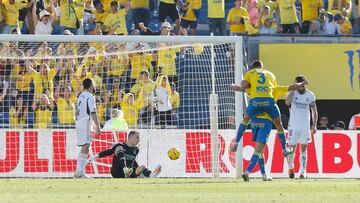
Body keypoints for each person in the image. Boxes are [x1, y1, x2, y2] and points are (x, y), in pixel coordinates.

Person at [230, 60, 308, 158]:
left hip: (255, 102)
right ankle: (284, 149)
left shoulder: (250, 73)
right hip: (269, 102)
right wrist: (302, 83)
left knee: (245, 120)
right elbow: (289, 87)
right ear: (262, 67)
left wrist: (233, 86)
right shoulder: (270, 74)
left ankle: (236, 142)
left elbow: (242, 86)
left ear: (252, 68)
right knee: (279, 124)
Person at [234, 85, 295, 181]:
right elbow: (289, 87)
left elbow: (244, 89)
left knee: (260, 151)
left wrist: (236, 87)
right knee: (258, 150)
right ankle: (247, 172)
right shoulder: (275, 89)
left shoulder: (255, 89)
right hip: (265, 122)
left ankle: (264, 175)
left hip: (254, 122)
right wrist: (300, 84)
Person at [88, 131, 162, 178]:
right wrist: (94, 157)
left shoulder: (136, 150)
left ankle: (151, 175)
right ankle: (125, 169)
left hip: (128, 174)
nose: (139, 140)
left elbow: (133, 162)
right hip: (117, 171)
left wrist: (140, 170)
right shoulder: (119, 145)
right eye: (137, 137)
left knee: (142, 167)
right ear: (131, 137)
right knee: (119, 148)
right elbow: (108, 152)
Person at [285, 75, 318, 179]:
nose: (301, 87)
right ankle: (291, 167)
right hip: (293, 125)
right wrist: (293, 87)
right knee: (291, 148)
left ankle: (303, 172)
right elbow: (287, 102)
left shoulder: (310, 94)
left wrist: (314, 125)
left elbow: (314, 110)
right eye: (299, 85)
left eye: (302, 85)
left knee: (303, 148)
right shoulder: (293, 92)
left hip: (305, 125)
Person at [74, 78, 101, 178]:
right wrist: (98, 126)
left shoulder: (80, 95)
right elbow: (93, 112)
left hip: (80, 122)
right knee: (86, 146)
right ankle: (79, 172)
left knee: (85, 146)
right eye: (93, 84)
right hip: (85, 123)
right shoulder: (90, 96)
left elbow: (77, 111)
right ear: (90, 85)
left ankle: (79, 172)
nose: (94, 86)